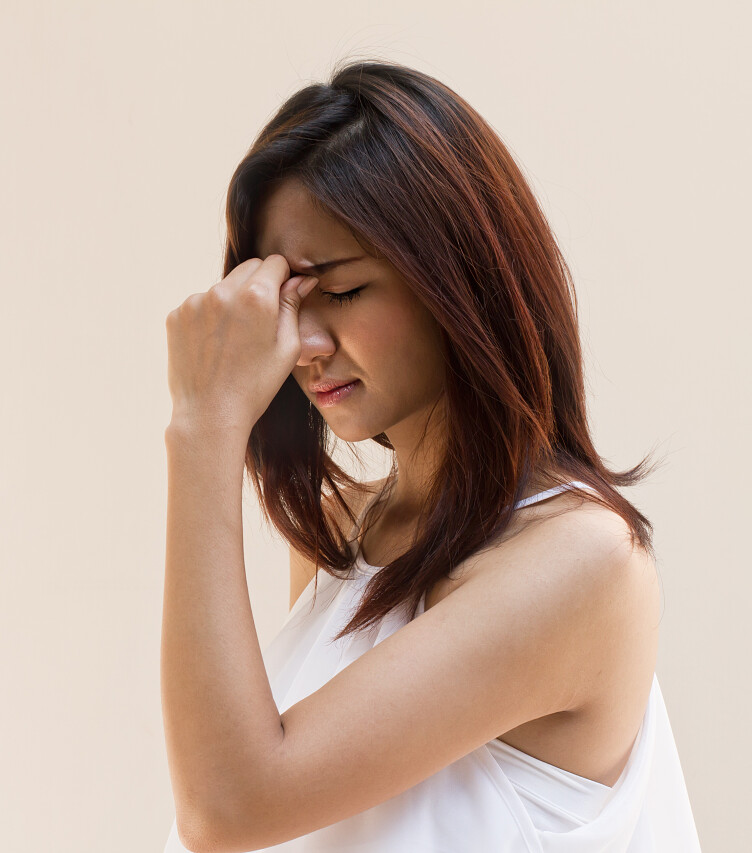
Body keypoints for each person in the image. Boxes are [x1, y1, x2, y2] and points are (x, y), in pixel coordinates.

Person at [160, 59, 701, 852]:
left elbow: (228, 809)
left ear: (455, 276)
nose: (304, 344)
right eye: (286, 301)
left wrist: (202, 426)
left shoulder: (584, 563)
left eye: (341, 291)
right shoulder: (344, 530)